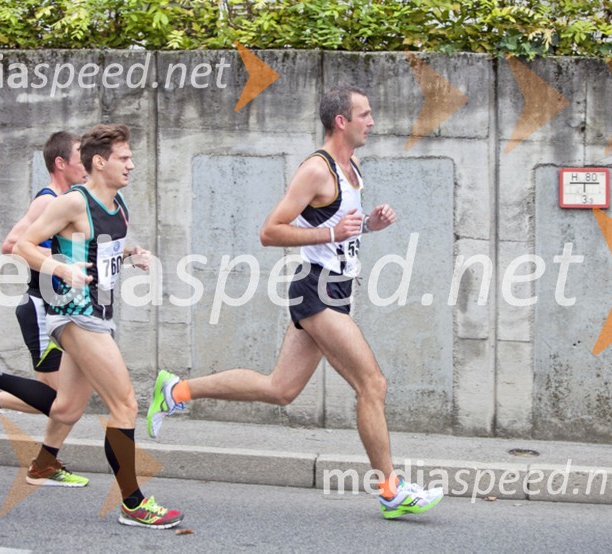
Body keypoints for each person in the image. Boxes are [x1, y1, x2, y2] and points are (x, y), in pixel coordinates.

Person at [147, 85, 443, 520]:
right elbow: (270, 231)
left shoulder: (352, 167)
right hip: (316, 289)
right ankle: (391, 490)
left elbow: (340, 228)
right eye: (364, 114)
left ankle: (176, 390)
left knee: (280, 389)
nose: (372, 121)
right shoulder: (316, 170)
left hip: (338, 289)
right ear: (341, 121)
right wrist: (332, 233)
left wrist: (369, 226)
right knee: (372, 384)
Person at [0, 124, 183, 529]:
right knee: (125, 406)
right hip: (74, 315)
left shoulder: (118, 204)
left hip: (100, 314)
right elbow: (22, 245)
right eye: (124, 158)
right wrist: (58, 267)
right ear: (99, 162)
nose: (132, 165)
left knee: (66, 407)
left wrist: (130, 255)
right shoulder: (72, 202)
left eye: (130, 157)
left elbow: (99, 252)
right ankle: (133, 504)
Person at [0, 131, 89, 488]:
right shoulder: (47, 201)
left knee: (66, 401)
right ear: (61, 163)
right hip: (40, 309)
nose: (86, 163)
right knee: (61, 402)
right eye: (80, 156)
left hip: (59, 310)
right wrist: (61, 260)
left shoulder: (69, 201)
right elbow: (11, 244)